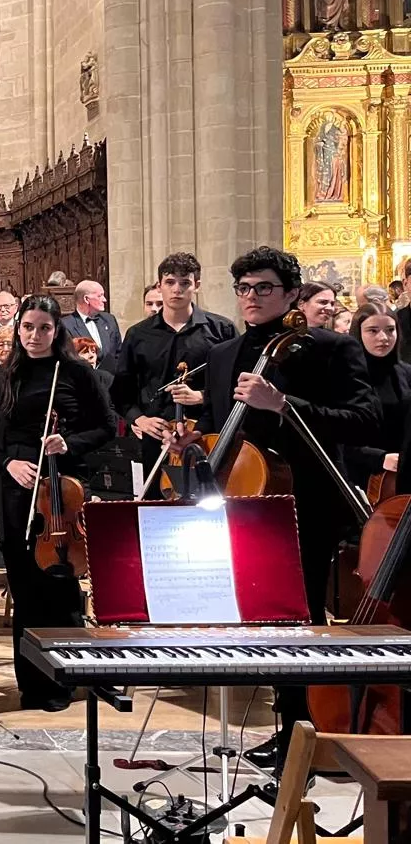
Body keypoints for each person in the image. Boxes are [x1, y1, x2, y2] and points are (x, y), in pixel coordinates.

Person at [186, 246, 377, 768]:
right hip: (241, 501)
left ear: (292, 294)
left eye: (263, 288)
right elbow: (232, 434)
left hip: (305, 502)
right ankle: (285, 724)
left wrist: (284, 405)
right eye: (244, 288)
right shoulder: (224, 355)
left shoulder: (329, 349)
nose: (251, 298)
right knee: (262, 620)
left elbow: (363, 419)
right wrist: (193, 444)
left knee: (301, 617)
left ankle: (307, 731)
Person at [0, 295, 117, 712]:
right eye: (27, 328)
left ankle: (65, 678)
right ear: (17, 330)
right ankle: (32, 682)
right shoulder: (2, 377)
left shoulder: (75, 374)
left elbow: (107, 426)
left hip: (63, 484)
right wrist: (8, 462)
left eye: (44, 328)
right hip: (17, 488)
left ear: (58, 332)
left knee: (59, 585)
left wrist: (67, 442)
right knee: (24, 585)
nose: (34, 336)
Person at [109, 252, 237, 497]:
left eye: (185, 283)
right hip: (156, 439)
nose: (177, 289)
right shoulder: (138, 334)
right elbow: (121, 391)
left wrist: (201, 396)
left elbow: (233, 386)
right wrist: (141, 420)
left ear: (196, 285)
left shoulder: (221, 329)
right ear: (159, 286)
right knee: (156, 507)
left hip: (206, 436)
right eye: (169, 282)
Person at [344, 303, 411, 493]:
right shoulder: (344, 376)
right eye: (372, 331)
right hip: (360, 477)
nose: (383, 338)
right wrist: (380, 458)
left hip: (400, 476)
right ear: (358, 334)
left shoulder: (406, 372)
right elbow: (336, 439)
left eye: (390, 330)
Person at [60, 280, 123, 375]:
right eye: (100, 296)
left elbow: (119, 352)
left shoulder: (109, 320)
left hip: (111, 381)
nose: (104, 299)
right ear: (86, 299)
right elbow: (66, 359)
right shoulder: (66, 325)